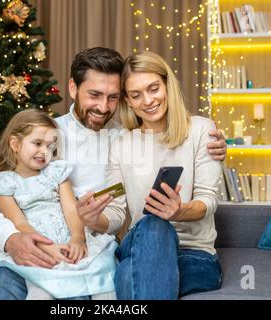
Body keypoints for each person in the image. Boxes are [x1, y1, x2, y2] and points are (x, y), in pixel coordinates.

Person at [0, 47, 227, 299]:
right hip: (53, 240)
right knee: (5, 280)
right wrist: (11, 238)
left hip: (109, 248)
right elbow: (0, 190)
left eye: (112, 97)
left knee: (151, 232)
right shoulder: (46, 135)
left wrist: (90, 224)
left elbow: (118, 210)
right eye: (94, 95)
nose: (103, 106)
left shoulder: (121, 137)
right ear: (73, 89)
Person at [102, 51, 223, 300]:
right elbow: (115, 210)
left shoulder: (202, 130)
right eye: (136, 95)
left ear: (168, 84)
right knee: (154, 225)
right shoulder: (121, 145)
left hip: (194, 255)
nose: (147, 100)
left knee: (126, 276)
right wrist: (93, 218)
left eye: (153, 88)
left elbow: (208, 200)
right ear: (128, 100)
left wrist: (179, 212)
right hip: (139, 245)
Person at [0, 109, 117, 300]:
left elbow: (71, 210)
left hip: (67, 239)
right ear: (15, 143)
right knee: (41, 288)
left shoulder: (56, 172)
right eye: (37, 143)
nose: (44, 152)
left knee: (102, 275)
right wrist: (46, 248)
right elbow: (20, 224)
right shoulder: (3, 184)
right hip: (36, 245)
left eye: (50, 146)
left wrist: (78, 238)